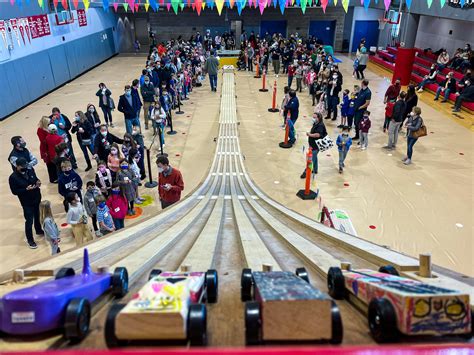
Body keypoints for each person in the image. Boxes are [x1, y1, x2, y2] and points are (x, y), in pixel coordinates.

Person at [9, 158, 44, 249]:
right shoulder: (13, 177)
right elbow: (14, 191)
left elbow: (35, 178)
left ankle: (38, 230)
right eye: (23, 166)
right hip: (26, 202)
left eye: (25, 165)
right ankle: (30, 240)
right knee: (29, 220)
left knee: (37, 215)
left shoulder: (30, 169)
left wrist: (38, 181)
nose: (25, 167)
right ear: (17, 166)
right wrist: (25, 189)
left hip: (36, 197)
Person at [301, 112, 326, 179]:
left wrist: (309, 135)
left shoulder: (320, 125)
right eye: (313, 117)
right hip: (313, 144)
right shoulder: (316, 123)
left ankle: (306, 172)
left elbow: (318, 134)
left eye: (315, 117)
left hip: (316, 146)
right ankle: (315, 169)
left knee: (311, 159)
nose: (313, 118)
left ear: (319, 118)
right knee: (314, 157)